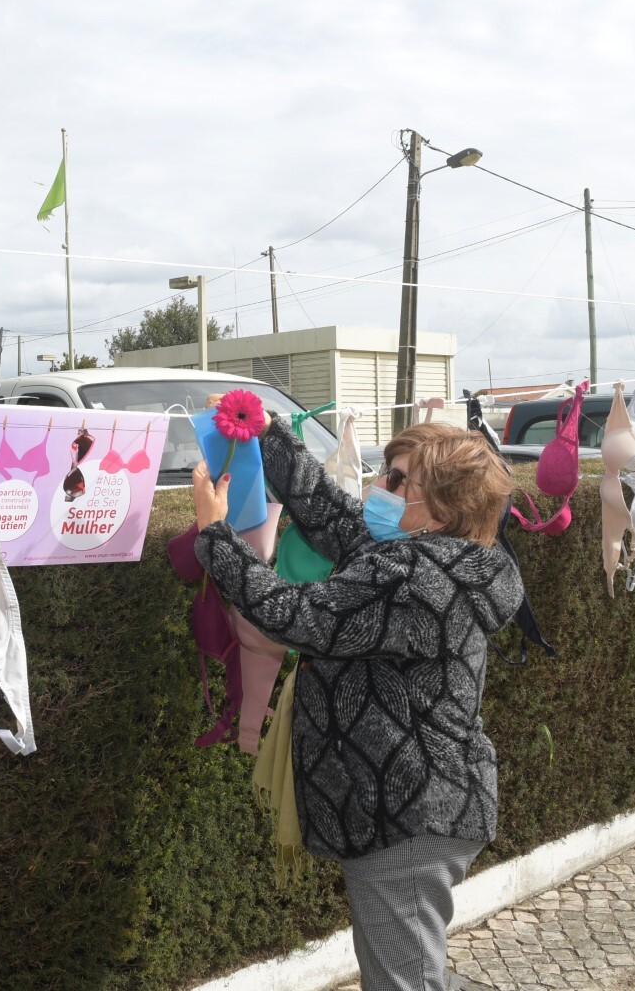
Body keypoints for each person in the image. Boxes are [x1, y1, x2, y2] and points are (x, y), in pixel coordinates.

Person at [191, 416, 523, 991]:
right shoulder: (437, 558)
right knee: (407, 971)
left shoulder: (413, 577)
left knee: (403, 982)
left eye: (396, 481)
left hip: (408, 813)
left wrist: (216, 536)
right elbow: (332, 516)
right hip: (418, 803)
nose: (377, 488)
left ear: (439, 509)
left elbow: (294, 615)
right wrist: (265, 433)